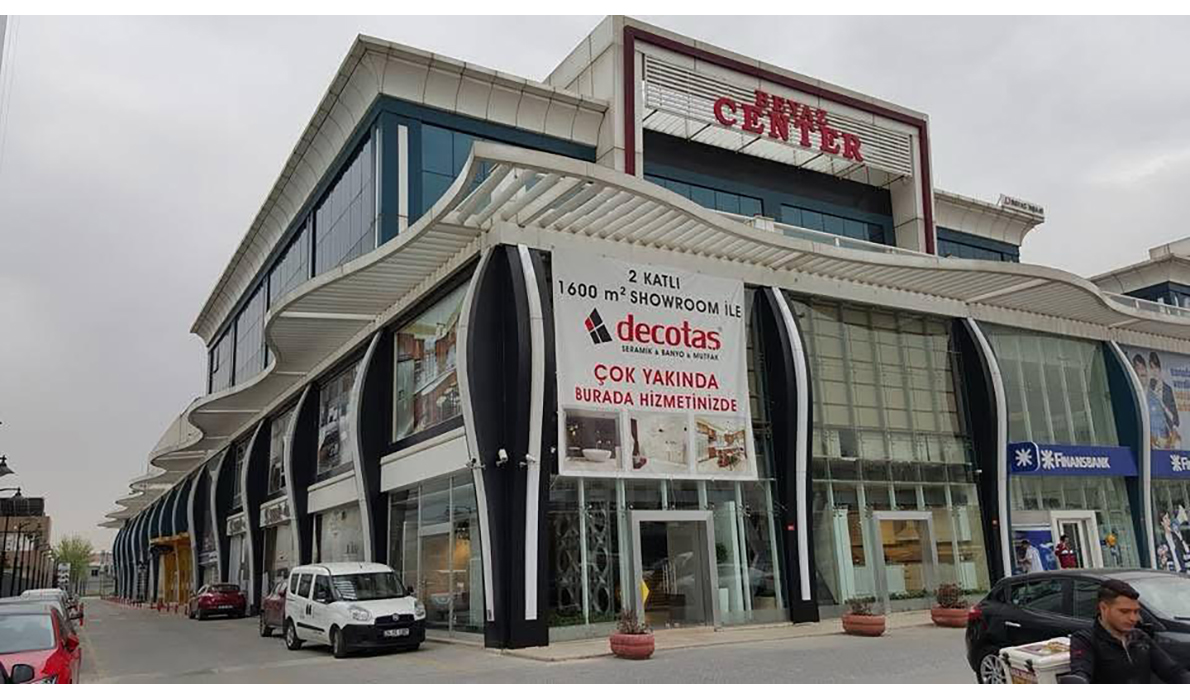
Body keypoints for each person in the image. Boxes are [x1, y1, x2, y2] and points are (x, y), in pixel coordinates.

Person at [1063, 579, 1190, 683]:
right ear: (1103, 608)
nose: (1133, 618)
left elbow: (1173, 671)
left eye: (1136, 611)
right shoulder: (1085, 640)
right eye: (1125, 611)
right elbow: (1081, 672)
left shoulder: (1140, 637)